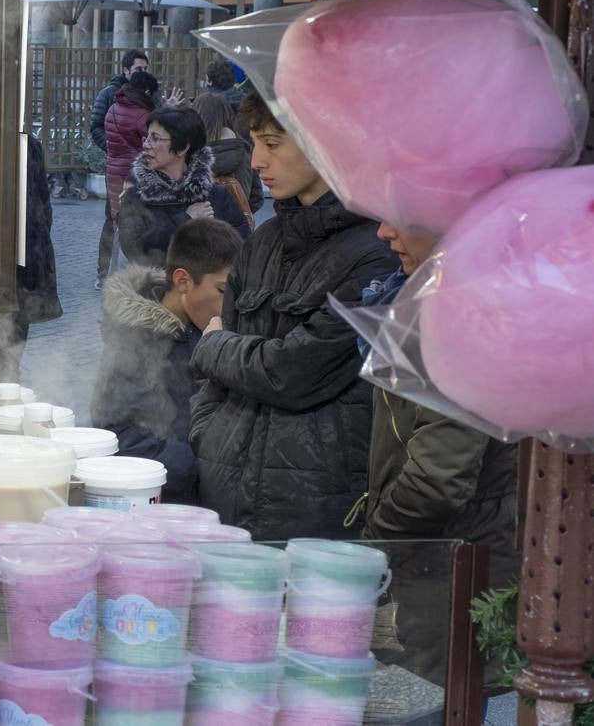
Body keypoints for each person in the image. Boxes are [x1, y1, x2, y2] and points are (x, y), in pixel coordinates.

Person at [189, 92, 397, 540]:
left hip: (315, 502)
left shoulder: (376, 253)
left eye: (272, 144)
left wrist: (213, 344)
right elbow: (218, 382)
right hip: (224, 484)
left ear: (325, 146)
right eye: (254, 143)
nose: (257, 160)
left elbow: (296, 371)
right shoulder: (261, 242)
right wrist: (206, 432)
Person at [360, 220, 518, 681]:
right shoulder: (434, 300)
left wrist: (376, 542)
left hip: (455, 563)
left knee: (450, 695)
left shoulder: (462, 314)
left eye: (402, 217)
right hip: (446, 561)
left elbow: (438, 478)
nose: (384, 233)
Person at [93, 219, 242, 502]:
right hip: (168, 499)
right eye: (222, 291)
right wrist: (197, 463)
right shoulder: (136, 341)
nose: (230, 304)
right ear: (183, 281)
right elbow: (115, 434)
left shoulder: (207, 328)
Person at [116, 106, 251, 269]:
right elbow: (134, 251)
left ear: (182, 148)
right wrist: (185, 221)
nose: (146, 145)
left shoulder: (216, 195)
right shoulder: (136, 196)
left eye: (155, 138)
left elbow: (243, 247)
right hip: (155, 291)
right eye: (147, 138)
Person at [0, 130, 63, 381]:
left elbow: (42, 204)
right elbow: (45, 208)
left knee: (14, 327)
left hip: (22, 251)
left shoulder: (27, 146)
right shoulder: (26, 144)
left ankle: (9, 377)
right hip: (22, 249)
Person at [91, 50, 149, 287]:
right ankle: (104, 271)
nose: (143, 73)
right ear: (125, 71)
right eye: (138, 69)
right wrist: (113, 148)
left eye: (145, 69)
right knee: (112, 219)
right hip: (118, 168)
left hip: (143, 170)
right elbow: (95, 126)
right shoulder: (108, 95)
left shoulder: (148, 95)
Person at [196, 92, 261, 222]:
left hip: (202, 226)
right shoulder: (244, 150)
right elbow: (257, 197)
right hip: (238, 230)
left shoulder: (192, 154)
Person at [103, 69, 159, 221]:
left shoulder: (113, 108)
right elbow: (155, 144)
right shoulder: (143, 114)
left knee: (117, 215)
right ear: (147, 92)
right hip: (133, 173)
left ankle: (115, 245)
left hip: (112, 169)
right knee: (134, 220)